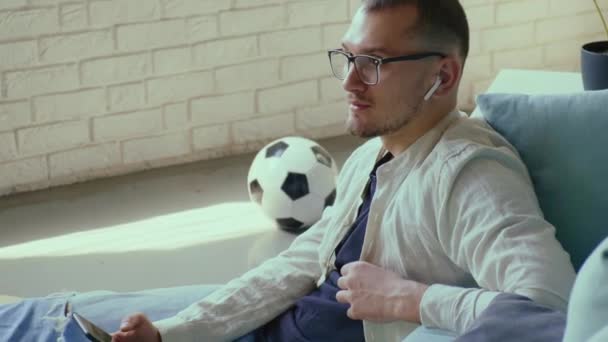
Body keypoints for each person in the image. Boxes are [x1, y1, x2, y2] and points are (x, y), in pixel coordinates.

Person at [111, 1, 576, 341]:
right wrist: (172, 333)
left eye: (373, 62)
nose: (350, 81)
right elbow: (300, 263)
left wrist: (408, 299)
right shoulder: (372, 155)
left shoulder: (471, 176)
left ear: (444, 76)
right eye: (348, 57)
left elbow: (549, 308)